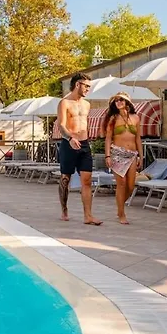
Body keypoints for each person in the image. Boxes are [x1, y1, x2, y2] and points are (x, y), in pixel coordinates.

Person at [56, 72, 102, 225]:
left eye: (89, 86)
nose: (88, 89)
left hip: (84, 144)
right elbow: (61, 125)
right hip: (68, 143)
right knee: (65, 179)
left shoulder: (87, 104)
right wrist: (70, 138)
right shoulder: (64, 103)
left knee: (87, 180)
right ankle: (64, 209)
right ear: (77, 84)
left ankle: (88, 216)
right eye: (86, 86)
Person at [102, 92, 143, 224]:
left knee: (130, 186)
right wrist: (107, 155)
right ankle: (122, 213)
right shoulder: (113, 118)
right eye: (116, 100)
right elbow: (108, 138)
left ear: (127, 102)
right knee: (121, 184)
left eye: (121, 100)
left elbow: (138, 138)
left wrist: (141, 156)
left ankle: (119, 206)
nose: (119, 102)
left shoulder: (135, 118)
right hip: (117, 153)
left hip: (132, 154)